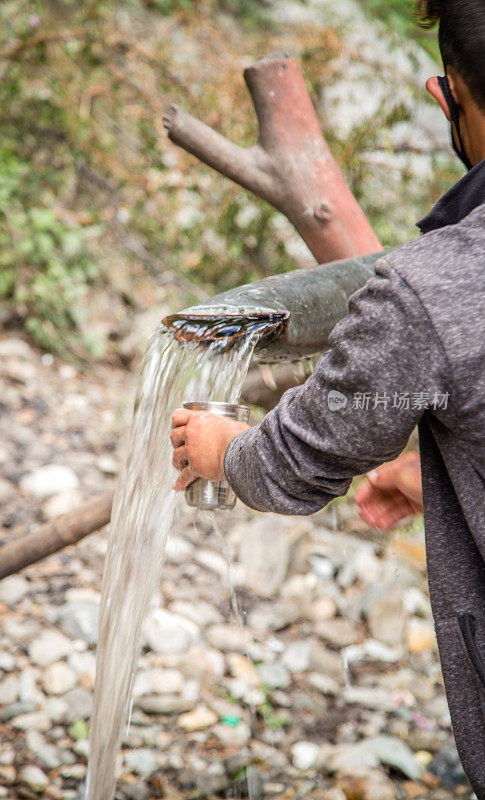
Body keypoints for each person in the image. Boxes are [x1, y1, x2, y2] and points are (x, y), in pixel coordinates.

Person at [170, 0, 485, 795]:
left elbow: (297, 461)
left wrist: (225, 450)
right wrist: (433, 472)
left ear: (449, 91)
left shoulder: (434, 287)